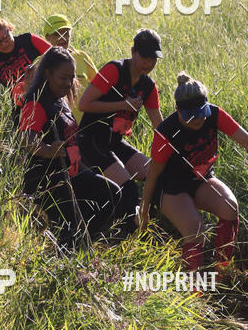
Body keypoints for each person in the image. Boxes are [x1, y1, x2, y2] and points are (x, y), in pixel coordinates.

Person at [138, 71, 248, 271]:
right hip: (170, 188)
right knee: (196, 230)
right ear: (178, 110)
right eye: (191, 116)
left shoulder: (214, 115)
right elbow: (153, 175)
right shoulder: (167, 133)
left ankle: (222, 272)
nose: (198, 120)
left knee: (230, 208)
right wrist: (144, 211)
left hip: (200, 180)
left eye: (201, 113)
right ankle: (193, 294)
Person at [19, 47, 123, 248]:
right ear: (48, 74)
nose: (68, 83)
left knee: (111, 193)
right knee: (70, 224)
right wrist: (48, 150)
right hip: (50, 180)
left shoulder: (61, 101)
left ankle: (82, 242)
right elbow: (26, 138)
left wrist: (83, 168)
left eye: (71, 78)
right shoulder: (36, 103)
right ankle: (71, 251)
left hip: (73, 174)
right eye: (63, 78)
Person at [77, 28, 163, 231]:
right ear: (133, 52)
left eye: (153, 59)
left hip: (114, 141)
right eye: (145, 57)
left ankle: (156, 225)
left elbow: (159, 125)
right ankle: (122, 238)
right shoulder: (114, 70)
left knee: (156, 175)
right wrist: (123, 104)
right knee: (129, 189)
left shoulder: (148, 86)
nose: (149, 63)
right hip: (90, 139)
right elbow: (84, 104)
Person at [0, 17, 50, 117]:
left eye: (5, 37)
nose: (4, 44)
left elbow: (56, 55)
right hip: (22, 109)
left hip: (47, 95)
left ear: (9, 28)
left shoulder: (28, 40)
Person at [42, 13, 97, 122]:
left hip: (89, 122)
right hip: (61, 126)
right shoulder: (41, 63)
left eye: (66, 33)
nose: (62, 37)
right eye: (57, 34)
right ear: (47, 37)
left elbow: (101, 85)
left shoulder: (82, 56)